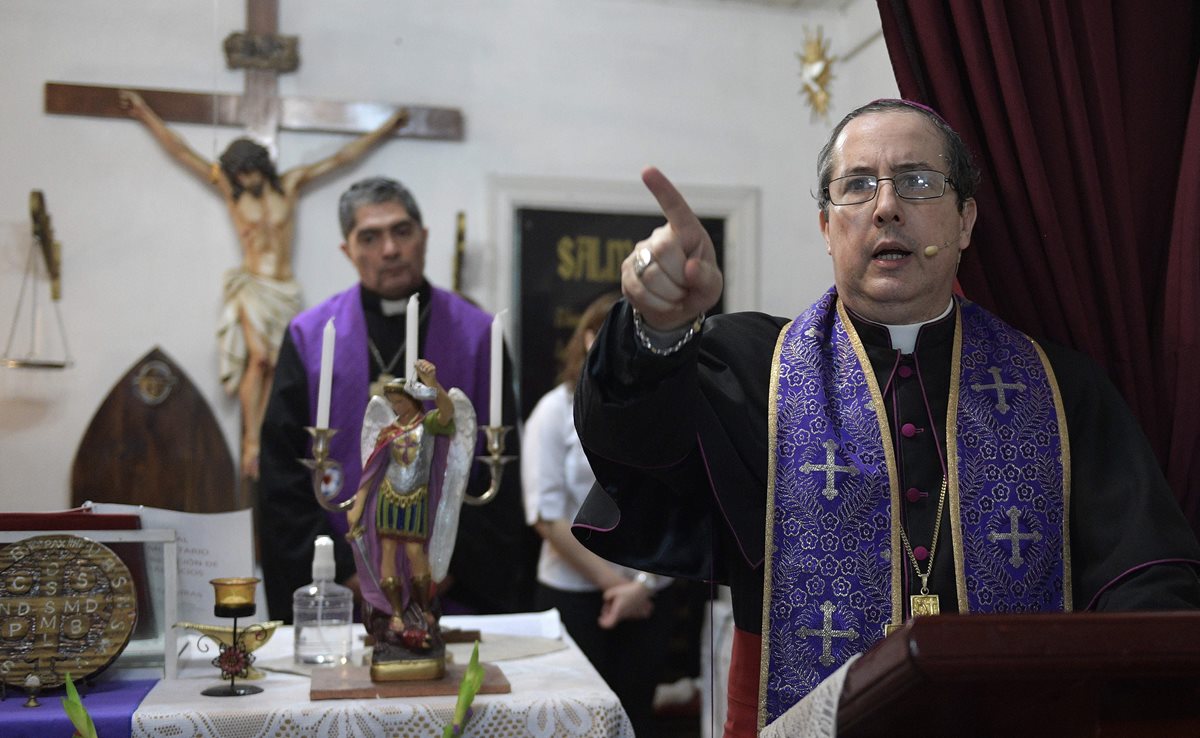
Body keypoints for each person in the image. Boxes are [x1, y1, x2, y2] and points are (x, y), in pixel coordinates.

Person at [572, 99, 1200, 736]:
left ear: (964, 222)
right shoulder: (752, 372)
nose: (886, 206)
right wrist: (656, 329)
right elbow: (631, 441)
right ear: (825, 225)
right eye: (857, 186)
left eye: (919, 182)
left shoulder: (1061, 388)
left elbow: (1146, 577)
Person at [258, 176, 535, 625]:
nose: (389, 249)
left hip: (453, 594)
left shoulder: (478, 336)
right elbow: (281, 476)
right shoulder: (309, 337)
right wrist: (345, 575)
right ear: (348, 251)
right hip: (339, 599)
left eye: (402, 231)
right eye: (370, 236)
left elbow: (497, 468)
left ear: (423, 238)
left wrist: (446, 571)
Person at [118, 89, 407, 479]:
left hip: (284, 290)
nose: (244, 180)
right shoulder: (230, 189)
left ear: (260, 166)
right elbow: (182, 151)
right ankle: (251, 439)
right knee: (259, 359)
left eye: (248, 173)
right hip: (253, 286)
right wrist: (144, 113)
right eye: (238, 175)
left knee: (281, 367)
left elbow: (342, 158)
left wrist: (386, 128)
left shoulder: (289, 185)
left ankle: (270, 436)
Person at [521, 291, 674, 736]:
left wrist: (641, 586)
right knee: (569, 723)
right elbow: (545, 517)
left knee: (634, 719)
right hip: (572, 595)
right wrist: (615, 585)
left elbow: (675, 509)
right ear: (588, 339)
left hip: (647, 597)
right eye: (613, 336)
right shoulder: (552, 412)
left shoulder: (663, 413)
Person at [348, 360, 474, 680]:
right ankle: (396, 615)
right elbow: (371, 472)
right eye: (393, 403)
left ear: (414, 400)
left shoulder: (429, 425)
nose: (396, 407)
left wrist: (433, 383)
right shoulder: (388, 432)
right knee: (388, 554)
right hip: (388, 499)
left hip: (416, 500)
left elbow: (448, 411)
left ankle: (423, 610)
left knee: (416, 555)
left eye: (400, 401)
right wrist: (358, 506)